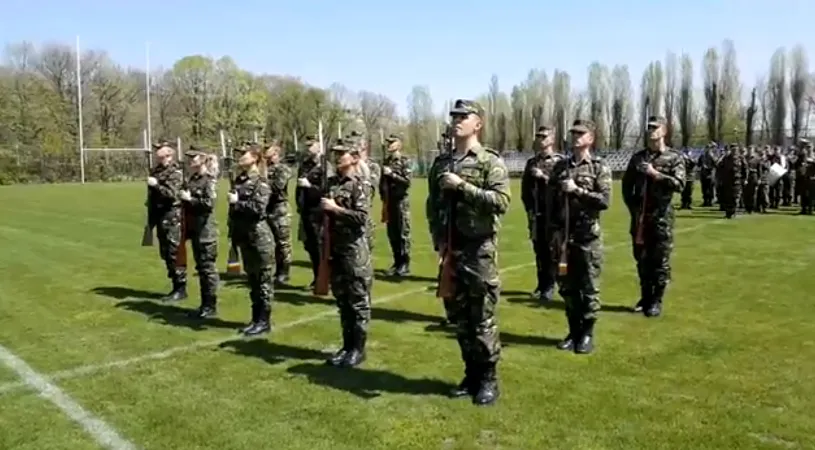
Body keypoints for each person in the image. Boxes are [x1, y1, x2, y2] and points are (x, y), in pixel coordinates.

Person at [427, 99, 511, 406]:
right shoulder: (441, 163)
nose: (457, 120)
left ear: (478, 124)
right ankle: (471, 373)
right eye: (454, 116)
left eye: (464, 116)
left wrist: (462, 186)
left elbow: (501, 201)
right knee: (459, 318)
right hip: (452, 250)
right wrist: (438, 239)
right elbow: (432, 206)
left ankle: (488, 379)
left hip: (479, 251)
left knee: (482, 318)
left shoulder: (490, 161)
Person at [552, 119, 612, 354]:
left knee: (588, 287)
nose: (576, 137)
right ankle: (573, 331)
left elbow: (604, 201)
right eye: (573, 133)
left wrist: (577, 190)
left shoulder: (599, 167)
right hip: (565, 239)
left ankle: (586, 333)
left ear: (590, 138)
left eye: (581, 133)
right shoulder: (561, 167)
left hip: (587, 237)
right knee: (567, 288)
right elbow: (553, 202)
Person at [621, 116, 685, 317]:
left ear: (664, 131)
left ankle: (656, 300)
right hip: (640, 219)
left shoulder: (674, 158)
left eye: (655, 128)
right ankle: (645, 297)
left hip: (661, 218)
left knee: (660, 262)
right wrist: (633, 208)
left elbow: (680, 184)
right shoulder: (638, 158)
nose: (651, 131)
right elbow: (627, 185)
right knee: (642, 260)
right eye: (649, 128)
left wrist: (655, 174)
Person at [321, 141, 373, 368]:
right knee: (342, 300)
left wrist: (335, 209)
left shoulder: (358, 185)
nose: (337, 157)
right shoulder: (331, 183)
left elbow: (361, 217)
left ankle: (358, 349)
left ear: (354, 158)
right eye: (335, 154)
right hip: (335, 248)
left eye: (342, 154)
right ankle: (347, 345)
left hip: (353, 250)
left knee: (358, 301)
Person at [229, 144, 275, 337]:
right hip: (245, 236)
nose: (240, 157)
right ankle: (255, 318)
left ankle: (264, 321)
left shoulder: (260, 182)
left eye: (243, 154)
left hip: (259, 236)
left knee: (263, 281)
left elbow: (258, 209)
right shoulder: (241, 179)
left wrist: (237, 203)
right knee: (253, 280)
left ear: (255, 158)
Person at [520, 125, 564, 303]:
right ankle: (541, 284)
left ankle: (550, 286)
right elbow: (525, 189)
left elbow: (561, 186)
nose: (541, 139)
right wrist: (529, 209)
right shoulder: (532, 162)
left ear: (552, 139)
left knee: (552, 250)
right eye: (539, 136)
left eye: (545, 136)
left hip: (553, 213)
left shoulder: (560, 162)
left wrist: (544, 176)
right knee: (539, 251)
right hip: (536, 213)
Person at [179, 148, 220, 318]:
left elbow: (208, 204)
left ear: (202, 159)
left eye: (193, 157)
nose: (189, 160)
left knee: (207, 269)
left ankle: (210, 306)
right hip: (194, 229)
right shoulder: (193, 179)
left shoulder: (208, 180)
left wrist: (190, 199)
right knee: (201, 267)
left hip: (206, 230)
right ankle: (204, 304)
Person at [147, 141, 187, 302]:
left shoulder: (175, 172)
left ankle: (180, 287)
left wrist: (156, 185)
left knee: (174, 252)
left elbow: (172, 194)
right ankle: (174, 284)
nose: (156, 152)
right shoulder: (157, 170)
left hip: (172, 215)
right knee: (165, 252)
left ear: (169, 153)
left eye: (160, 150)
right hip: (159, 215)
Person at [295, 136, 326, 290]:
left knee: (320, 247)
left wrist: (310, 186)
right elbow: (298, 187)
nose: (308, 148)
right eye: (307, 146)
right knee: (310, 246)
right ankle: (317, 276)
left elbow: (327, 190)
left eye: (311, 145)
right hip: (306, 210)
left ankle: (323, 278)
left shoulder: (324, 166)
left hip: (319, 211)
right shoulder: (305, 164)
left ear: (319, 146)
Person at [380, 134, 413, 276]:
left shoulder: (404, 161)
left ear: (399, 144)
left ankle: (404, 263)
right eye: (388, 142)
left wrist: (392, 174)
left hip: (400, 201)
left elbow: (407, 181)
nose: (389, 145)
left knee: (402, 233)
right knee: (392, 233)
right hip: (389, 201)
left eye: (392, 142)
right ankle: (396, 262)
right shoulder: (386, 161)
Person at [264, 141, 294, 284]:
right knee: (268, 242)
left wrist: (262, 183)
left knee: (283, 243)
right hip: (266, 208)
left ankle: (284, 272)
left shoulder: (283, 169)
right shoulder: (263, 168)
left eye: (268, 151)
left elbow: (277, 186)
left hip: (279, 209)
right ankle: (271, 270)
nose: (266, 154)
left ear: (276, 153)